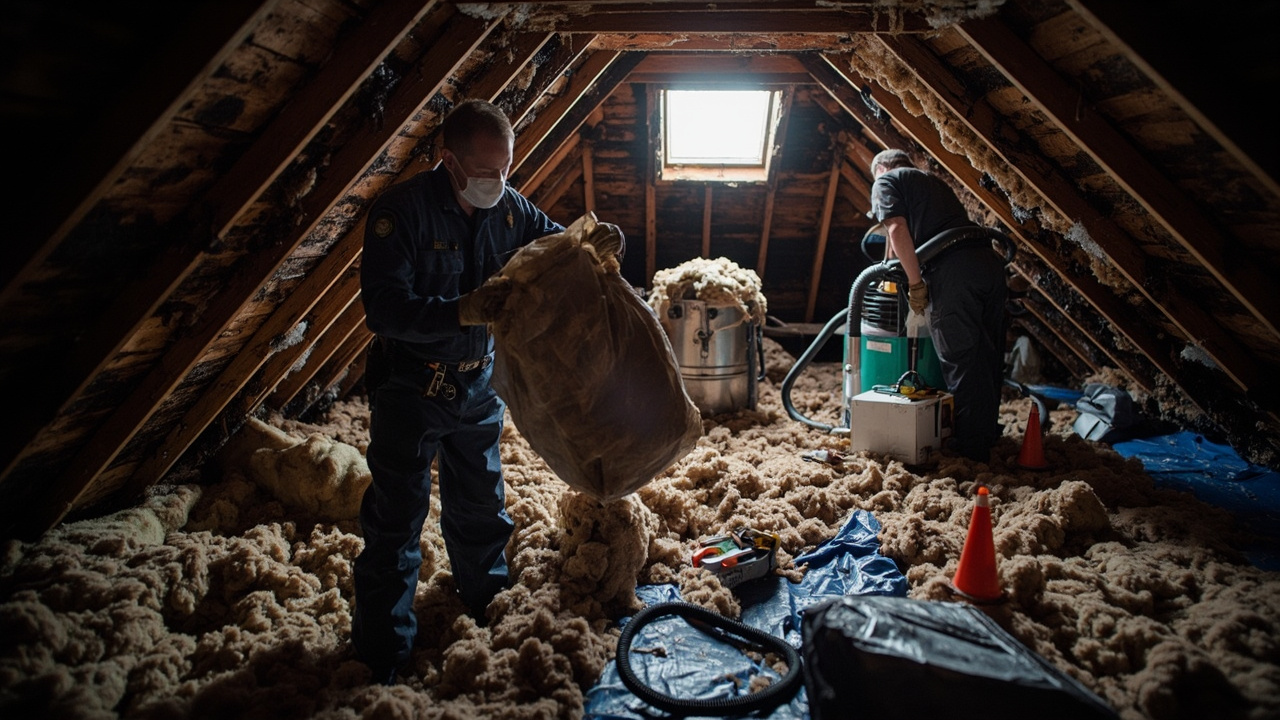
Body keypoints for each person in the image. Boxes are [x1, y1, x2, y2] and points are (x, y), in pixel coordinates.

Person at [353, 99, 567, 686]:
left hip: (477, 386)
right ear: (447, 161)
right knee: (396, 523)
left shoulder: (507, 209)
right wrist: (462, 309)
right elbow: (384, 309)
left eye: (505, 171)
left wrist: (591, 244)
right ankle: (383, 656)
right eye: (484, 172)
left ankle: (485, 606)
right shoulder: (402, 214)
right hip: (412, 387)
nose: (496, 184)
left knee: (482, 508)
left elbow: (554, 244)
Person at [868, 148, 1008, 462]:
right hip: (988, 263)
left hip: (953, 270)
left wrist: (916, 283)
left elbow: (895, 228)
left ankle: (970, 450)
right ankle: (985, 433)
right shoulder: (931, 182)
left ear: (883, 167)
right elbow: (898, 238)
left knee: (960, 356)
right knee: (988, 353)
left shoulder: (886, 180)